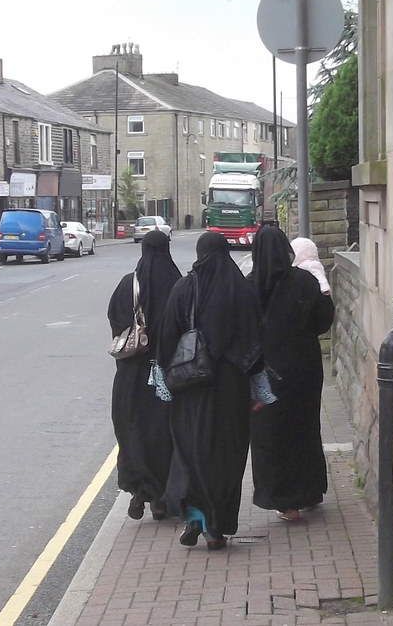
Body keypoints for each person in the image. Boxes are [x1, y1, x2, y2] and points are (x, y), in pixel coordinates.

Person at [156, 231, 263, 550]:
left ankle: (195, 517)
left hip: (192, 386)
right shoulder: (240, 289)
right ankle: (216, 527)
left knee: (191, 452)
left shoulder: (185, 287)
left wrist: (167, 376)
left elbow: (167, 338)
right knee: (226, 456)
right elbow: (256, 340)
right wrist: (257, 384)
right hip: (231, 387)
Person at [248, 227, 336, 521]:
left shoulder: (249, 286)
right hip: (305, 368)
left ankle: (286, 503)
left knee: (270, 436)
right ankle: (310, 491)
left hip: (265, 374)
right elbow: (325, 318)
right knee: (305, 428)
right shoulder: (305, 281)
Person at [107, 229, 183, 522]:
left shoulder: (129, 284)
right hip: (167, 374)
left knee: (133, 432)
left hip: (131, 375)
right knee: (165, 434)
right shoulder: (178, 284)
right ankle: (162, 499)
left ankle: (140, 489)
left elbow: (116, 322)